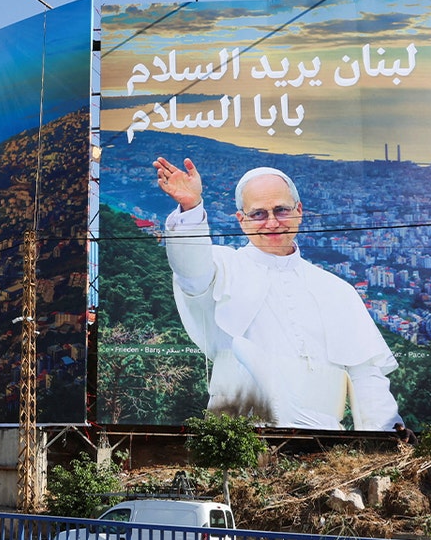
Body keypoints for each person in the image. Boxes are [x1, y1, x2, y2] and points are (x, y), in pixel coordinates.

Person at [152, 156, 402, 431]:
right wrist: (191, 208)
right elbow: (190, 269)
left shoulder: (338, 290)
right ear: (241, 220)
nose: (272, 222)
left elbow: (366, 376)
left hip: (327, 443)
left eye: (281, 210)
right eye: (258, 213)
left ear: (299, 211)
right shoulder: (222, 267)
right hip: (239, 439)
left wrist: (387, 435)